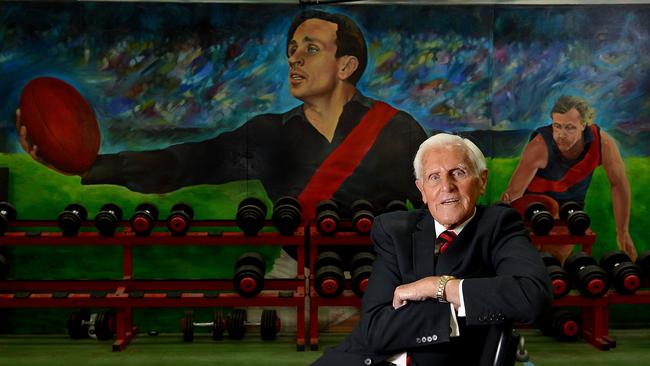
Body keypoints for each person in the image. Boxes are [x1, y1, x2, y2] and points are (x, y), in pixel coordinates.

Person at [16, 10, 428, 221]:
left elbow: (438, 214)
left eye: (311, 49)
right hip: (297, 273)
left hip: (384, 278)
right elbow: (184, 164)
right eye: (292, 50)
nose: (294, 59)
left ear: (346, 66)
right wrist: (88, 166)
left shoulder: (398, 130)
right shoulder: (267, 135)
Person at [312, 133, 550, 366]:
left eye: (458, 173)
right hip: (363, 357)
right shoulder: (395, 231)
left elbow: (531, 295)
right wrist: (463, 309)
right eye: (434, 177)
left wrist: (438, 287)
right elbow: (375, 328)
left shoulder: (500, 226)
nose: (447, 186)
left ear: (482, 180)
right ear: (422, 190)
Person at [501, 95, 636, 262]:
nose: (561, 135)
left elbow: (619, 184)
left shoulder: (602, 144)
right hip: (535, 208)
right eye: (557, 126)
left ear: (583, 125)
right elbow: (513, 195)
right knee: (529, 262)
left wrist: (622, 232)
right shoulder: (539, 145)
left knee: (555, 264)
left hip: (570, 211)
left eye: (570, 128)